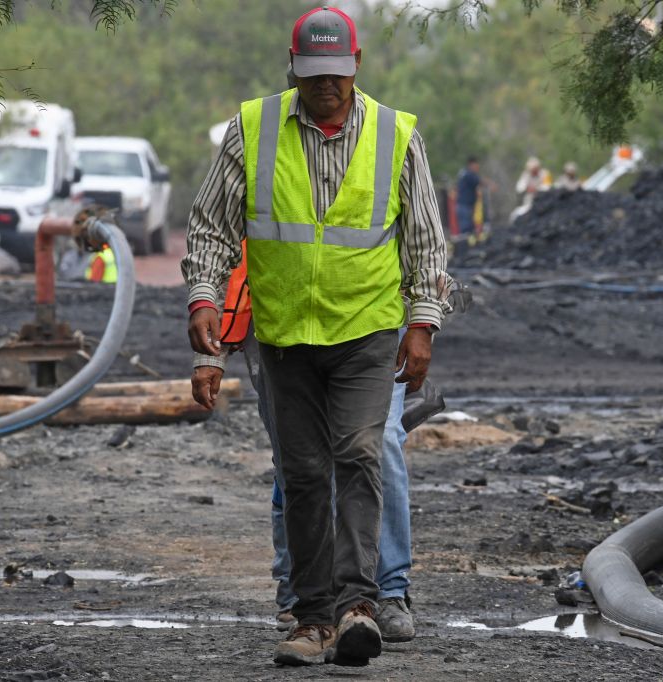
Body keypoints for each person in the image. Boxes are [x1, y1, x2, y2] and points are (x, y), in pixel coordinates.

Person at [182, 5, 452, 668]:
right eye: (312, 75)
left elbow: (424, 240)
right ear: (293, 70)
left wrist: (422, 325)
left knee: (360, 453)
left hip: (365, 329)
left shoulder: (395, 134)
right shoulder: (253, 128)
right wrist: (204, 298)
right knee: (302, 473)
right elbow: (213, 227)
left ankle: (361, 607)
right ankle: (311, 618)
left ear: (355, 67)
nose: (325, 86)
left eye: (336, 74)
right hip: (282, 335)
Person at [455, 156, 481, 237]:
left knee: (469, 229)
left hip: (464, 206)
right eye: (475, 166)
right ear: (471, 165)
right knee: (466, 230)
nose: (477, 168)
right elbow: (479, 181)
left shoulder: (463, 173)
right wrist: (491, 185)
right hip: (464, 206)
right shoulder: (468, 174)